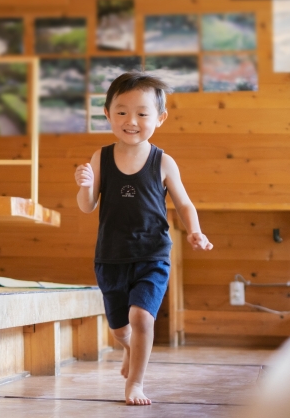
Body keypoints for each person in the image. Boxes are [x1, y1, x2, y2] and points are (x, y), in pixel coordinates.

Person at [74, 72, 213, 406]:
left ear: (159, 118)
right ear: (107, 114)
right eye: (121, 112)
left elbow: (184, 203)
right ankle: (129, 348)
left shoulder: (163, 162)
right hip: (110, 256)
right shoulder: (100, 158)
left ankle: (135, 383)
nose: (131, 120)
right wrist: (83, 184)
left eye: (142, 113)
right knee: (121, 329)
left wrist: (195, 230)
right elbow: (87, 206)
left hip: (152, 254)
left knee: (141, 318)